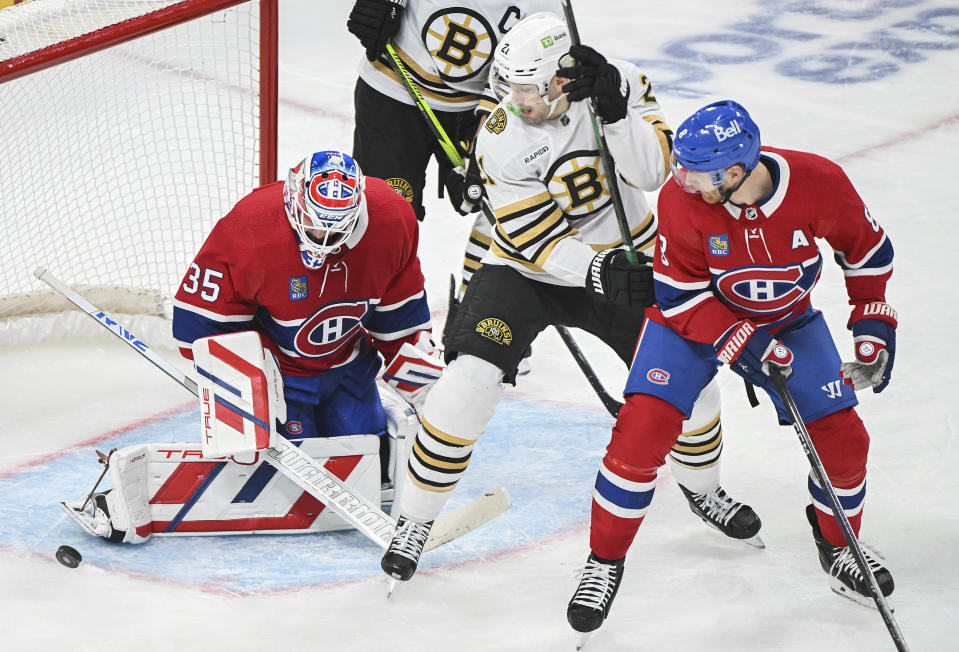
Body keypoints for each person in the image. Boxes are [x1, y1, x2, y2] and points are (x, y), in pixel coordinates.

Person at [380, 13, 762, 584]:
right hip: (528, 271)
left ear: (562, 79)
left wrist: (615, 115)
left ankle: (703, 489)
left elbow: (655, 172)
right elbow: (530, 237)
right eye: (507, 85)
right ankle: (412, 521)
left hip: (629, 258)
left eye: (526, 87)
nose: (513, 99)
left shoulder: (622, 83)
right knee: (468, 384)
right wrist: (598, 268)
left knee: (695, 387)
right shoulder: (499, 136)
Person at [565, 100, 898, 636]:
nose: (682, 183)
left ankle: (839, 546)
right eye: (681, 169)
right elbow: (676, 294)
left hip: (788, 323)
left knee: (845, 440)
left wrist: (873, 325)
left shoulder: (818, 182)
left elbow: (868, 252)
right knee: (639, 437)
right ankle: (603, 561)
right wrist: (744, 341)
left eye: (697, 175)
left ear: (738, 171)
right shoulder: (681, 199)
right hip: (690, 323)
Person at [172, 150, 439, 485]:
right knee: (293, 470)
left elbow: (402, 318)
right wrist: (243, 387)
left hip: (349, 368)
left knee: (368, 454)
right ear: (295, 198)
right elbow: (198, 326)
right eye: (315, 223)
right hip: (281, 376)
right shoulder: (251, 226)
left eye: (336, 227)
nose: (323, 238)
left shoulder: (391, 218)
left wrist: (426, 388)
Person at [346, 0, 561, 296]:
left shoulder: (546, 8)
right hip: (392, 91)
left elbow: (530, 72)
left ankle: (475, 320)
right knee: (382, 217)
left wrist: (485, 138)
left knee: (510, 205)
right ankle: (377, 316)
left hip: (477, 108)